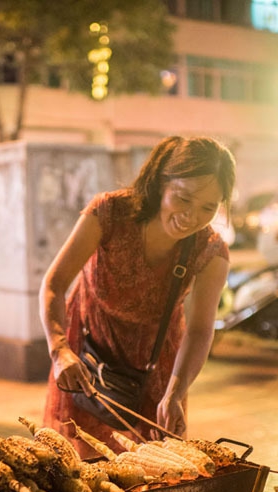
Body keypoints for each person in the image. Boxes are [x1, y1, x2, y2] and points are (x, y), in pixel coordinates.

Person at [39, 136, 235, 458]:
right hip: (88, 356)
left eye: (208, 207)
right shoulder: (110, 213)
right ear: (161, 183)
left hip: (157, 368)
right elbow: (54, 283)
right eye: (183, 198)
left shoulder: (210, 250)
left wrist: (175, 390)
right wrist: (59, 349)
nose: (192, 216)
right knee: (85, 465)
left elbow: (200, 329)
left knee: (151, 470)